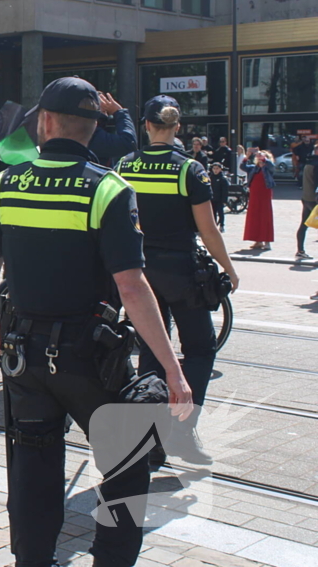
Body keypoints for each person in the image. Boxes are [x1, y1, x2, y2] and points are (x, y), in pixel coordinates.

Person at [0, 78, 193, 567]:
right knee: (126, 464)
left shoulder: (5, 184)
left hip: (24, 354)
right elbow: (132, 287)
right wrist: (172, 368)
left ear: (47, 122)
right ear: (93, 128)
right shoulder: (109, 188)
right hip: (91, 358)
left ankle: (33, 559)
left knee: (34, 464)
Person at [116, 96, 239, 465]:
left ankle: (150, 442)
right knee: (200, 349)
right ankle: (183, 432)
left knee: (152, 351)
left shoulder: (125, 165)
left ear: (146, 125)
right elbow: (209, 230)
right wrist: (229, 268)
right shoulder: (190, 170)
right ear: (177, 127)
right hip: (182, 273)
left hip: (139, 271)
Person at [87, 91, 136, 166]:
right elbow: (128, 143)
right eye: (104, 110)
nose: (107, 116)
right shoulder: (91, 133)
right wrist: (120, 112)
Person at [242, 148, 276, 250]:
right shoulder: (254, 168)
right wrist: (247, 156)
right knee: (255, 216)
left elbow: (272, 166)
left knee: (265, 216)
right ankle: (258, 241)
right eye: (258, 156)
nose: (259, 158)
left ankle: (267, 241)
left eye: (262, 156)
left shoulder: (268, 167)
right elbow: (242, 166)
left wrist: (264, 158)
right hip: (254, 194)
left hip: (264, 193)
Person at [297, 144, 318, 260]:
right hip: (315, 200)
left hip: (306, 198)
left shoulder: (309, 162)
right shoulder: (317, 164)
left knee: (304, 225)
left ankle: (300, 250)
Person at [210, 163, 229, 233]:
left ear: (220, 169)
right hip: (212, 199)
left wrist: (224, 200)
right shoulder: (210, 178)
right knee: (213, 213)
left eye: (217, 168)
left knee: (220, 213)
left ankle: (222, 225)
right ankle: (214, 225)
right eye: (214, 168)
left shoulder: (223, 179)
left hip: (219, 199)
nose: (215, 170)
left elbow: (225, 191)